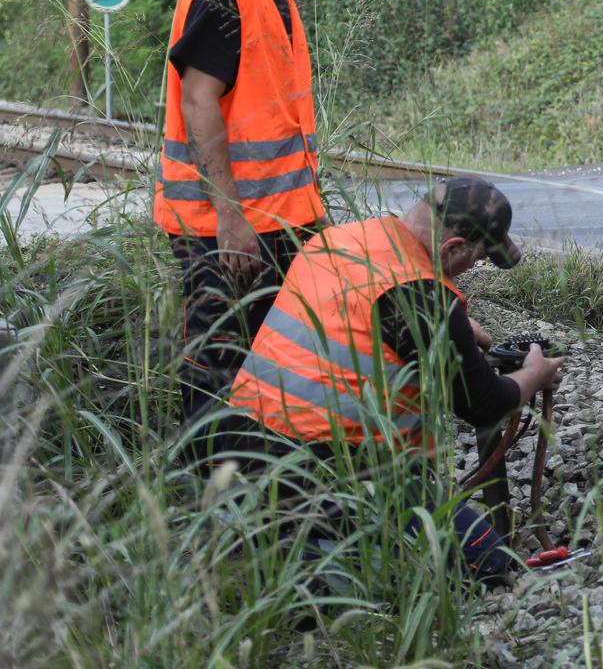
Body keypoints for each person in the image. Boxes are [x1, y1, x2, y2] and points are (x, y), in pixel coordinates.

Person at [225, 177, 565, 580]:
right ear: (452, 248)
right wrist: (535, 372)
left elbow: (350, 320)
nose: (466, 272)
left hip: (243, 453)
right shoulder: (423, 297)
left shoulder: (337, 239)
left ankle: (290, 549)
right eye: (472, 261)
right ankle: (332, 564)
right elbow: (484, 404)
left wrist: (446, 330)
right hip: (330, 473)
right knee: (488, 564)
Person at [154, 0, 330, 419]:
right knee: (218, 367)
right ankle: (207, 493)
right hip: (225, 230)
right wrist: (231, 217)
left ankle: (257, 488)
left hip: (274, 220)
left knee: (266, 367)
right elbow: (199, 99)